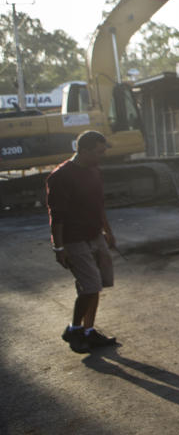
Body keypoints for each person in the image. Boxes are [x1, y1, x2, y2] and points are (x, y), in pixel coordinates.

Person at [48, 129, 120, 353]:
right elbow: (56, 215)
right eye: (99, 152)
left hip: (95, 236)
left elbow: (99, 205)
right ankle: (75, 329)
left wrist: (108, 231)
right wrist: (59, 248)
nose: (102, 156)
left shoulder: (94, 170)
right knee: (89, 286)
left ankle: (89, 331)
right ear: (84, 150)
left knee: (97, 285)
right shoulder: (60, 176)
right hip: (73, 240)